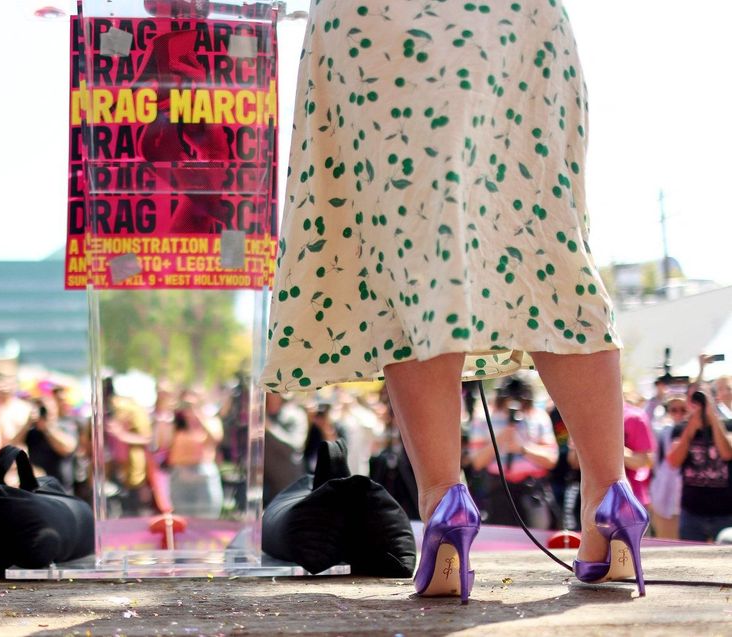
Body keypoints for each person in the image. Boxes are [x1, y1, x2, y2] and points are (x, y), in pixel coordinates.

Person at [261, 0, 645, 601]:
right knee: (546, 241)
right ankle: (611, 494)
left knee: (410, 255)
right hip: (517, 19)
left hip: (377, 21)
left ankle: (444, 502)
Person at [468, 377, 559, 529]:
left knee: (539, 531)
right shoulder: (484, 419)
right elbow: (476, 462)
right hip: (498, 491)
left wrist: (522, 448)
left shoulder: (539, 417)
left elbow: (551, 459)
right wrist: (500, 440)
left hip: (532, 491)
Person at [665, 390, 732, 542]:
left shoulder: (728, 425)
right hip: (692, 511)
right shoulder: (681, 429)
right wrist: (691, 428)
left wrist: (713, 419)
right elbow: (673, 461)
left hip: (725, 511)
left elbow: (727, 453)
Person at [11, 398, 78, 492]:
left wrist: (47, 428)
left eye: (46, 408)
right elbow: (13, 445)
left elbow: (67, 448)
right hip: (38, 489)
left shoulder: (65, 425)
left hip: (61, 489)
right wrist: (27, 423)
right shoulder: (33, 432)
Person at [650, 395, 687, 539]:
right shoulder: (664, 431)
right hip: (665, 495)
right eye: (674, 410)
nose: (678, 414)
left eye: (683, 410)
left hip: (692, 499)